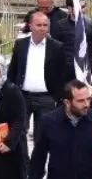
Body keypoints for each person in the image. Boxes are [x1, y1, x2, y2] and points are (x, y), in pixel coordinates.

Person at [6, 10, 66, 139]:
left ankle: (37, 160)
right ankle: (23, 159)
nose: (42, 28)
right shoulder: (21, 45)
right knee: (19, 133)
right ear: (31, 26)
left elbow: (62, 74)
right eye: (39, 25)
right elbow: (13, 70)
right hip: (22, 96)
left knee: (42, 135)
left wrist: (57, 98)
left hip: (46, 98)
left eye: (45, 25)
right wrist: (11, 91)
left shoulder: (57, 47)